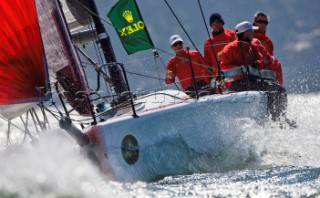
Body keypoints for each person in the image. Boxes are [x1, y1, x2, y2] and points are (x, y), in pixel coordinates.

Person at [220, 21, 287, 121]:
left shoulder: (256, 44)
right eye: (250, 31)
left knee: (280, 90)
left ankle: (279, 118)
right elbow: (225, 67)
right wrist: (243, 69)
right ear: (244, 33)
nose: (253, 34)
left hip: (255, 80)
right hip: (239, 83)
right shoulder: (229, 49)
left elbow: (267, 61)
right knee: (271, 91)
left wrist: (257, 64)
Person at [253, 11, 283, 85]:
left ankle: (278, 86)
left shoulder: (268, 41)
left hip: (264, 69)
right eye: (260, 21)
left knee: (276, 63)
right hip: (252, 65)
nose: (263, 24)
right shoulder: (248, 35)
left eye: (265, 22)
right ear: (255, 22)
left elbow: (270, 58)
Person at [203, 13, 236, 77]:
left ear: (222, 22)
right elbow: (207, 64)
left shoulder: (231, 34)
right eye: (214, 22)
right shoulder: (208, 43)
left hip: (234, 71)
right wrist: (208, 79)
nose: (216, 24)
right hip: (219, 76)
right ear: (211, 25)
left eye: (218, 21)